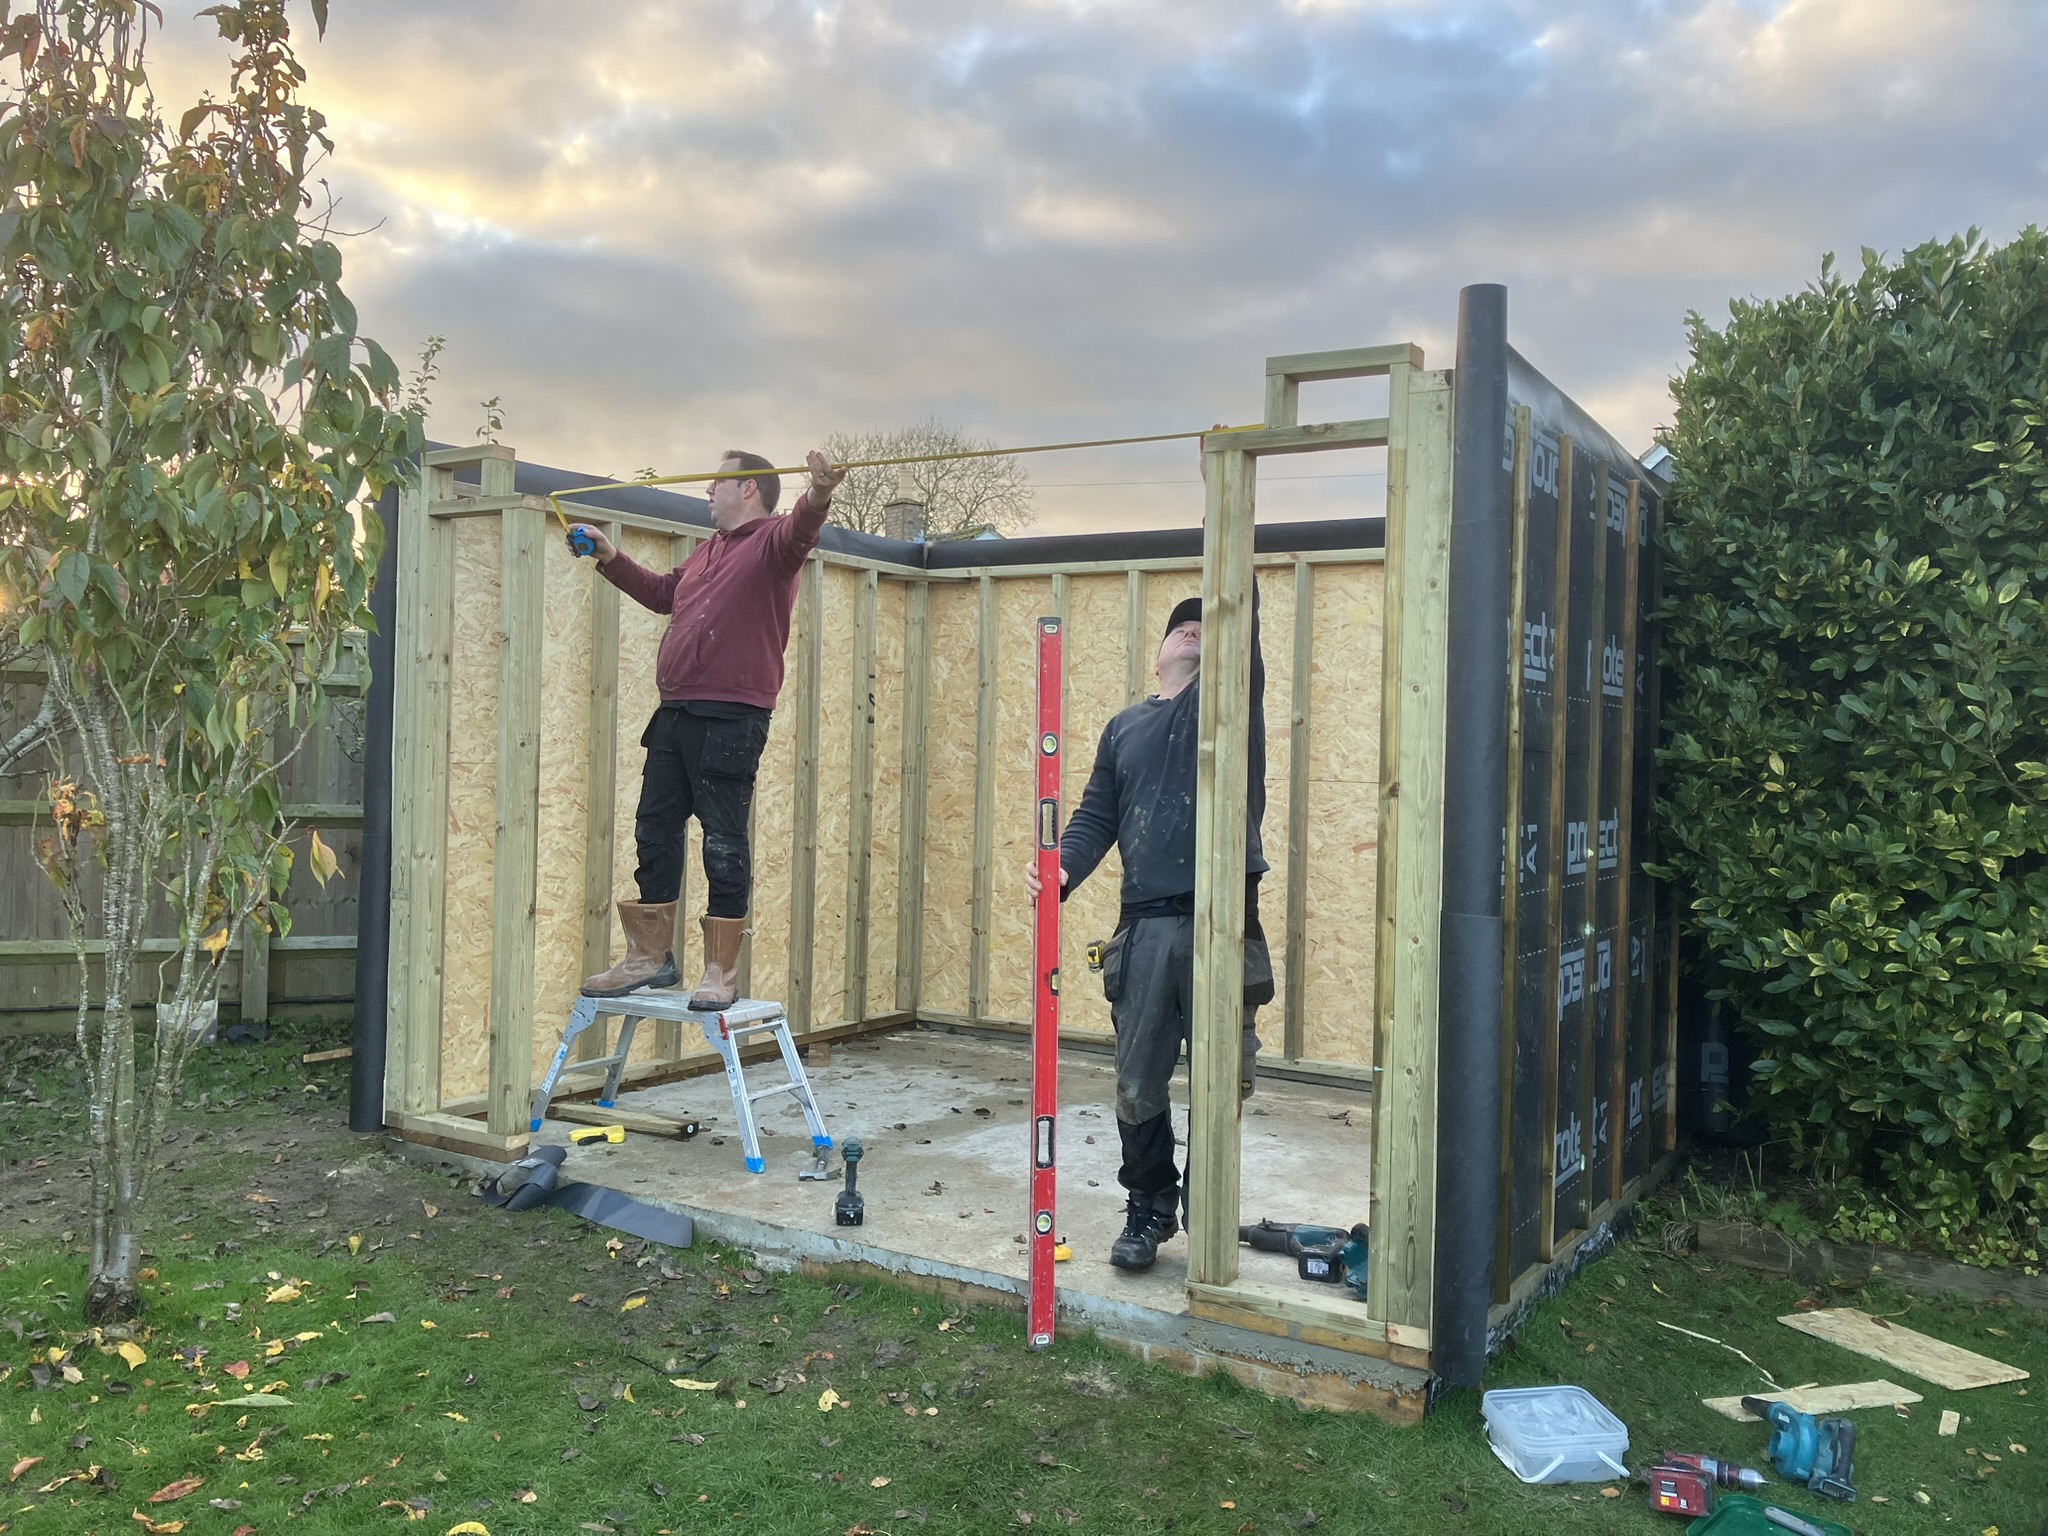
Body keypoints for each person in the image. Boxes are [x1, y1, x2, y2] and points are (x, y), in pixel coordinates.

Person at [1025, 562, 1270, 1273]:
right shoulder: (1125, 727)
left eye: (1207, 621)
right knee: (1137, 1083)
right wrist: (1062, 869)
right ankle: (1150, 1208)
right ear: (1159, 651)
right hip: (1147, 929)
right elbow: (1095, 815)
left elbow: (1241, 625)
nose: (1193, 625)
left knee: (1225, 1080)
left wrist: (1230, 522)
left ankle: (1211, 1207)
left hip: (1225, 921)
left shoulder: (1228, 706)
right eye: (1180, 623)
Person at [567, 448, 847, 1009]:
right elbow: (662, 594)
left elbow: (804, 526)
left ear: (747, 488)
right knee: (654, 829)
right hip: (674, 713)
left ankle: (721, 971)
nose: (706, 492)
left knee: (722, 843)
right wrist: (609, 555)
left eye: (716, 483)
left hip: (732, 717)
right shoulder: (707, 552)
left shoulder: (773, 542)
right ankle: (651, 958)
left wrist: (818, 492)